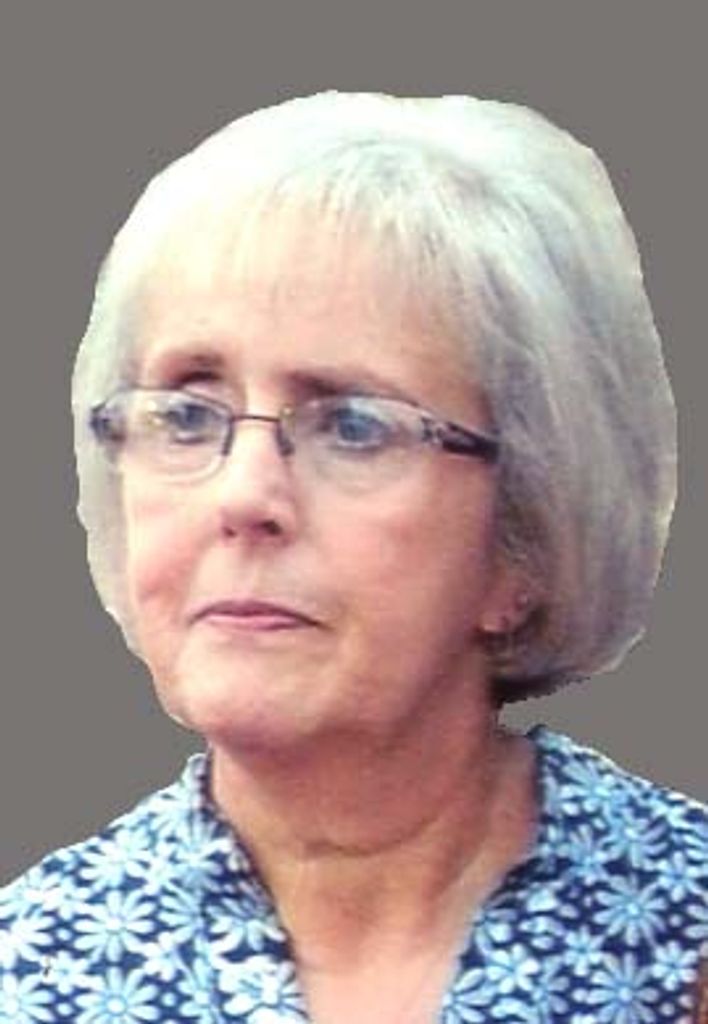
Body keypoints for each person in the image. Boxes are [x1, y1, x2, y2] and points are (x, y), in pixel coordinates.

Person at [1, 91, 706, 1024]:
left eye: (354, 426)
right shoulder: (34, 971)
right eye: (186, 413)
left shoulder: (681, 933)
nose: (243, 495)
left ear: (527, 535)